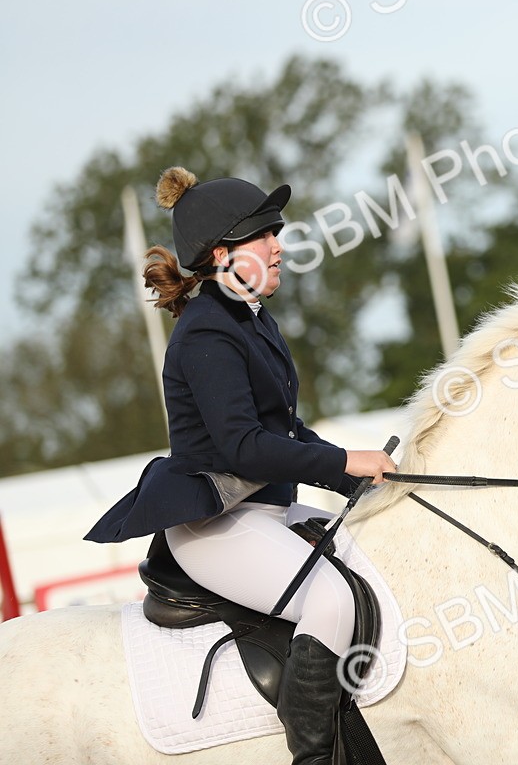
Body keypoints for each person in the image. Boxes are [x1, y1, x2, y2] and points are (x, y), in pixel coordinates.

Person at [84, 166, 396, 764]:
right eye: (264, 236)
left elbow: (285, 431)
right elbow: (241, 448)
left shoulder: (251, 320)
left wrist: (359, 473)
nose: (279, 246)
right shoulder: (205, 332)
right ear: (223, 256)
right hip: (214, 522)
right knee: (329, 599)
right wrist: (340, 461)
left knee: (374, 547)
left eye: (276, 232)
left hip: (259, 512)